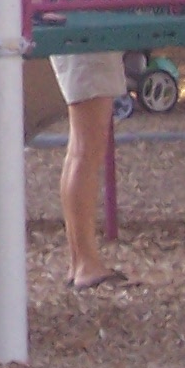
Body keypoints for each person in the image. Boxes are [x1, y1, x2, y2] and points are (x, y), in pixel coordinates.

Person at [52, 50, 125, 289]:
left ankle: (80, 260)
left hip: (80, 45)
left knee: (80, 150)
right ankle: (85, 262)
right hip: (88, 47)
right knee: (87, 149)